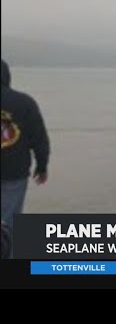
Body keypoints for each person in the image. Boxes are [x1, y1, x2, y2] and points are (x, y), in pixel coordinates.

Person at [1, 59, 50, 238]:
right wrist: (42, 166)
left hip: (15, 174)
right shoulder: (25, 103)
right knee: (8, 225)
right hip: (14, 173)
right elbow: (39, 138)